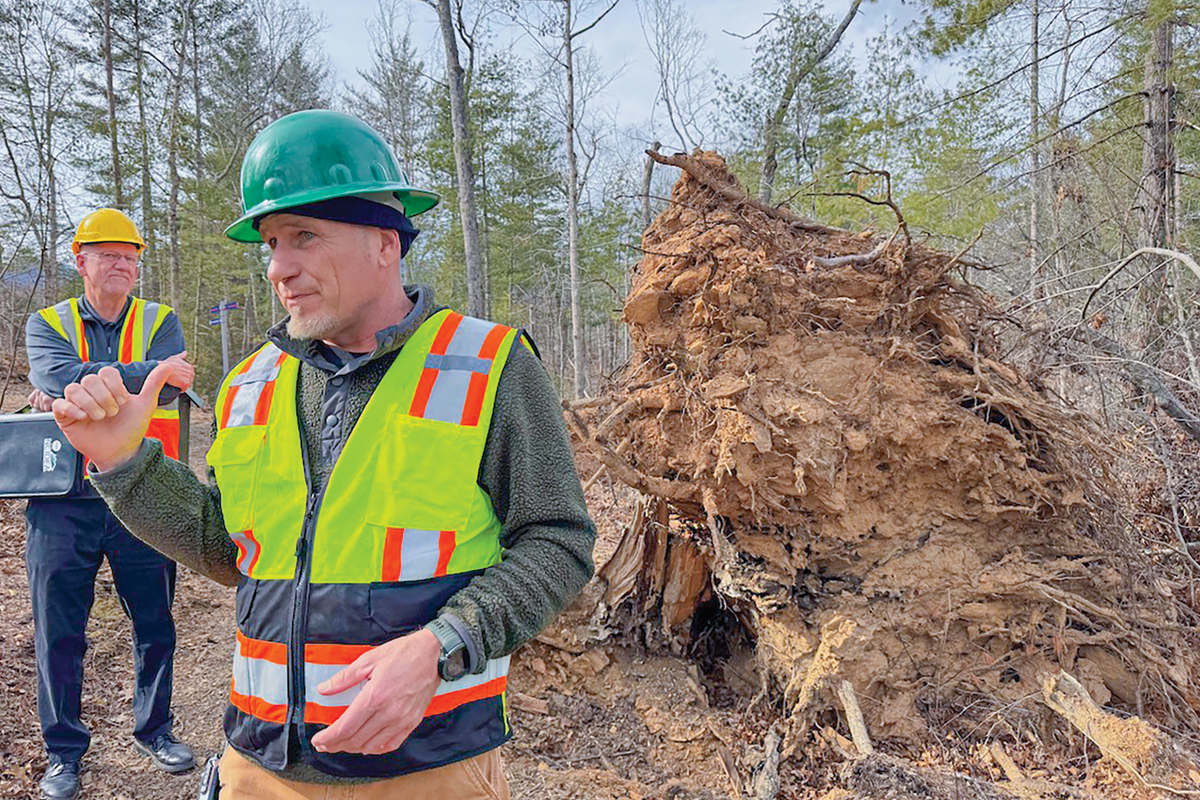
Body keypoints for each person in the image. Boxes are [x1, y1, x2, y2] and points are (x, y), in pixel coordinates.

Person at [51, 110, 596, 798]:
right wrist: (126, 466)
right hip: (260, 765)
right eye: (272, 243)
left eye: (304, 236)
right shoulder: (252, 384)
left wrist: (444, 644)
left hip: (427, 767)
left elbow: (560, 539)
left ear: (384, 242)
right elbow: (230, 552)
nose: (280, 267)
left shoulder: (488, 364)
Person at [24, 208, 197, 800]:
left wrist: (87, 383)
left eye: (130, 256)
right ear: (81, 261)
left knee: (155, 620)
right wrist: (146, 377)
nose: (122, 264)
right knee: (58, 629)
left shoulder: (160, 319)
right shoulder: (46, 321)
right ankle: (63, 752)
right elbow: (58, 373)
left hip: (141, 492)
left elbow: (172, 383)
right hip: (61, 500)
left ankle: (155, 729)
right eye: (108, 255)